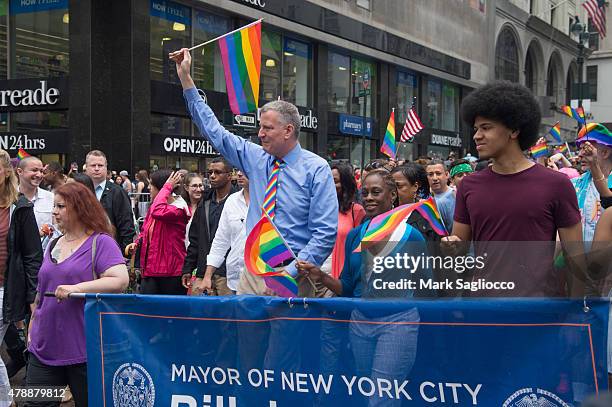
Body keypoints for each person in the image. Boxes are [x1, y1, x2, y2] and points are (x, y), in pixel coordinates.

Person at [171, 48, 337, 299]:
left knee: (284, 339)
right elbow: (215, 132)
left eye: (267, 128)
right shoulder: (256, 158)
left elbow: (324, 232)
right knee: (247, 338)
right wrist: (186, 79)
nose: (260, 134)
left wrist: (289, 273)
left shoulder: (317, 169)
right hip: (253, 272)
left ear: (288, 130)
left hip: (293, 277)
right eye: (260, 127)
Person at [299, 170, 431, 407]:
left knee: (382, 397)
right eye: (365, 193)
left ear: (392, 196)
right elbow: (347, 287)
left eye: (376, 192)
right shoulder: (355, 235)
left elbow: (426, 285)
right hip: (360, 323)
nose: (368, 197)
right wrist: (321, 276)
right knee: (367, 391)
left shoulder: (411, 236)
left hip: (398, 322)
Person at [446, 81, 583, 297]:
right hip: (484, 309)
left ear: (514, 130)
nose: (476, 136)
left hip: (539, 313)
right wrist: (450, 247)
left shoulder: (557, 184)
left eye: (486, 127)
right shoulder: (468, 186)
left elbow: (574, 256)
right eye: (475, 129)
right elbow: (460, 248)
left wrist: (579, 314)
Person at [26, 182, 128, 407]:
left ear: (80, 208)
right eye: (54, 206)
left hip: (84, 350)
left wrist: (76, 289)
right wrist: (32, 327)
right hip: (44, 349)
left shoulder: (101, 243)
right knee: (34, 403)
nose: (54, 211)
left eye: (61, 206)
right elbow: (41, 292)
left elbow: (120, 280)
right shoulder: (53, 242)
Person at [0, 150, 42, 399]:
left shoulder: (20, 207)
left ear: (6, 172)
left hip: (6, 289)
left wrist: (32, 295)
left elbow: (32, 255)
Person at [129, 170, 190, 295]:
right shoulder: (156, 205)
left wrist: (167, 186)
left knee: (169, 313)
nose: (149, 188)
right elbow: (145, 230)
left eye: (152, 184)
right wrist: (137, 243)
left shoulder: (178, 209)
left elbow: (158, 211)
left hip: (171, 274)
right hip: (150, 271)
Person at [183, 158, 238, 296]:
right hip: (203, 271)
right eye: (210, 172)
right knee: (200, 315)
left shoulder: (239, 201)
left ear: (229, 175)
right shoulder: (205, 201)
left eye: (217, 172)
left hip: (228, 274)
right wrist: (188, 268)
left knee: (228, 316)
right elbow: (195, 239)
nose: (212, 176)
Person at [201, 171, 250, 295]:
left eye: (244, 169)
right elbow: (221, 240)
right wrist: (207, 276)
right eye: (238, 169)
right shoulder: (232, 201)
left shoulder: (271, 201)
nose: (239, 174)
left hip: (264, 282)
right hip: (235, 280)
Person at [85, 150, 135, 253]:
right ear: (86, 167)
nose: (97, 169)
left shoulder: (118, 192)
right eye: (93, 165)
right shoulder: (79, 191)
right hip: (83, 250)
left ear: (106, 168)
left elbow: (126, 224)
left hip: (110, 251)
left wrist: (124, 253)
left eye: (100, 165)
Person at [572, 124, 612, 248]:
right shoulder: (573, 185)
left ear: (605, 152)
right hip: (576, 263)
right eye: (580, 149)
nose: (580, 154)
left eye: (587, 149)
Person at [328, 162, 365, 280]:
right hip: (311, 278)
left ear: (345, 183)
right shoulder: (315, 209)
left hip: (338, 279)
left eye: (335, 181)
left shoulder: (357, 211)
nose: (330, 185)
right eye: (327, 180)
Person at [16, 157, 55, 241]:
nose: (39, 175)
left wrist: (46, 231)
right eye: (34, 170)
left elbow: (58, 229)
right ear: (19, 171)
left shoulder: (51, 198)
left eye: (41, 171)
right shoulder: (9, 198)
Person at [425, 160, 455, 232]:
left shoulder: (455, 196)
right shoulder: (426, 198)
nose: (435, 178)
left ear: (447, 175)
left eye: (438, 173)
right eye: (430, 174)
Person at [180, 172, 205, 248]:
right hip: (183, 250)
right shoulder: (181, 206)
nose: (198, 189)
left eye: (200, 185)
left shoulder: (206, 206)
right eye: (194, 186)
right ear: (186, 187)